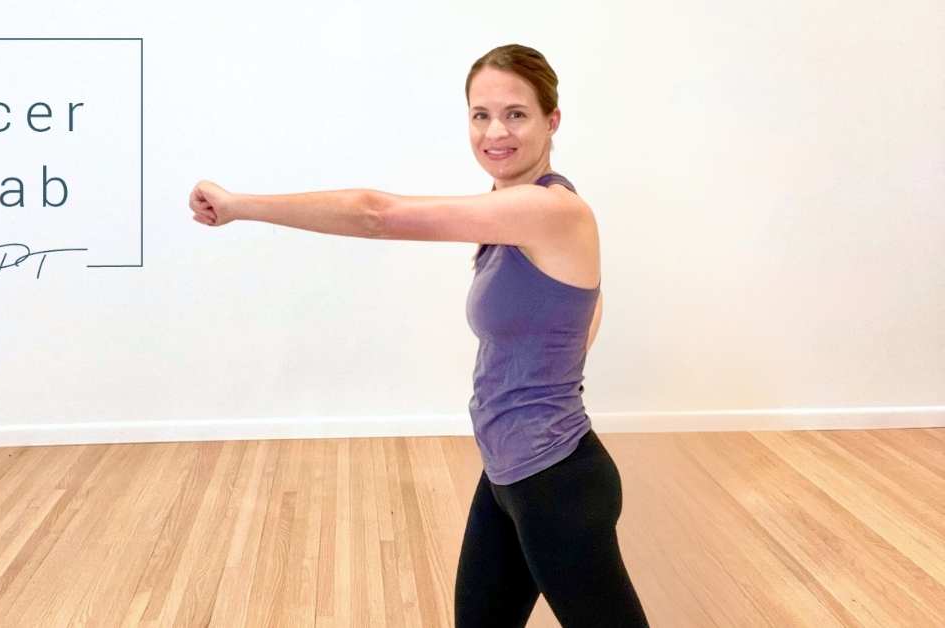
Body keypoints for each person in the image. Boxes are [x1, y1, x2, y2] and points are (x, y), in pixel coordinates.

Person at [187, 42, 648, 628]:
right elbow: (588, 302)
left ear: (551, 120)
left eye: (515, 114)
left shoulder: (549, 210)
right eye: (480, 115)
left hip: (556, 484)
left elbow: (376, 214)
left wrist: (240, 206)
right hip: (508, 474)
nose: (494, 132)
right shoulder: (510, 209)